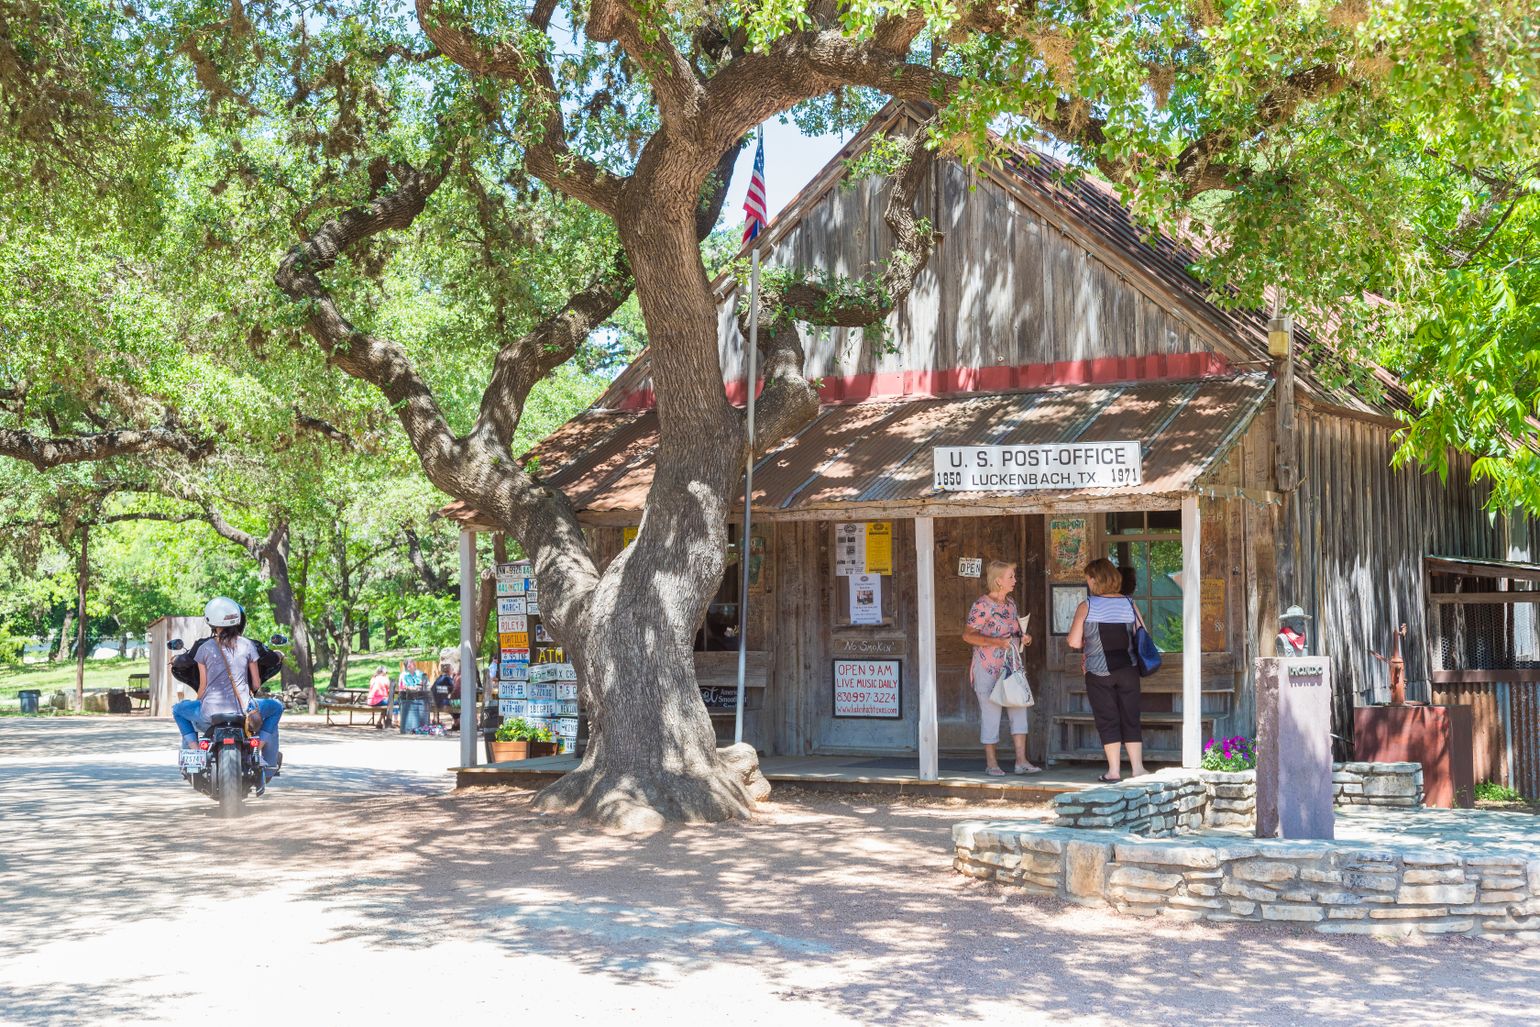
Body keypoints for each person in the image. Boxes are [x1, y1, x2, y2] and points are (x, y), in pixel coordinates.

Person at [172, 597, 283, 790]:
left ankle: (196, 752)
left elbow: (203, 687)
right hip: (244, 710)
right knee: (276, 707)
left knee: (178, 710)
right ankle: (259, 750)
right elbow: (255, 683)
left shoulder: (204, 647)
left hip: (210, 712)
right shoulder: (249, 645)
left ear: (210, 621)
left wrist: (200, 702)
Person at [1067, 558, 1146, 782]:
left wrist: (1088, 642)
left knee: (1107, 718)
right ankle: (1138, 768)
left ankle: (1113, 771)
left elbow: (1074, 642)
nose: (1088, 583)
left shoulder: (1087, 606)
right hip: (1128, 669)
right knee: (1131, 716)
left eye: (1088, 579)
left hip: (1098, 672)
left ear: (1094, 579)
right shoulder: (1129, 604)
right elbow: (1142, 633)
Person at [962, 559, 1039, 776]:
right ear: (998, 581)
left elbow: (1012, 632)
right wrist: (997, 642)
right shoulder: (982, 605)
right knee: (991, 714)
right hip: (987, 668)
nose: (1015, 580)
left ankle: (1021, 761)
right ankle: (992, 763)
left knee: (1019, 710)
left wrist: (1024, 638)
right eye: (1011, 577)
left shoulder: (1011, 604)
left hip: (1011, 666)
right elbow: (968, 635)